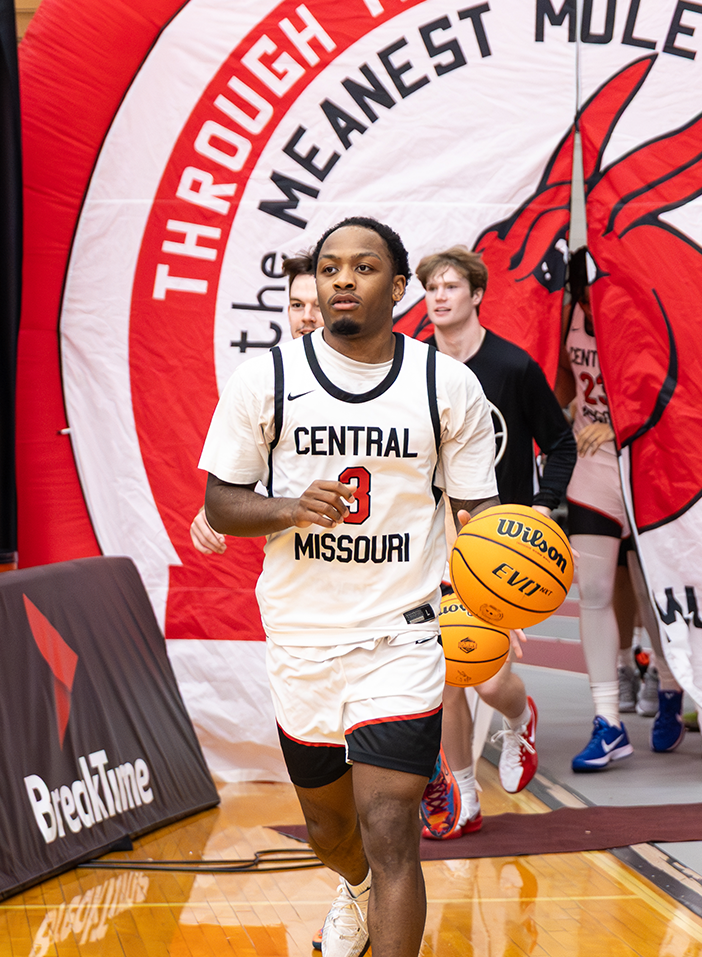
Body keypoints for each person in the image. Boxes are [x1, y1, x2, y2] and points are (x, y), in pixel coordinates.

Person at [200, 219, 500, 957]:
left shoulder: (446, 383)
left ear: (397, 289)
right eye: (330, 267)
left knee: (392, 823)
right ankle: (354, 888)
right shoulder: (266, 378)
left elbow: (479, 515)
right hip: (302, 635)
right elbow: (221, 504)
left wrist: (495, 599)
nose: (341, 280)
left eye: (362, 267)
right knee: (332, 832)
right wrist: (289, 506)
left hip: (402, 633)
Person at [415, 246, 576, 835]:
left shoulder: (511, 368)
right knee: (445, 673)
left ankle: (518, 715)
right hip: (432, 542)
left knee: (487, 677)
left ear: (477, 295)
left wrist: (539, 512)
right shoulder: (413, 370)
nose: (439, 296)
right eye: (431, 287)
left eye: (451, 286)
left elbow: (560, 444)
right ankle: (463, 793)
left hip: (497, 544)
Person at [558, 250, 687, 771]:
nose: (590, 305)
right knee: (592, 592)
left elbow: (673, 387)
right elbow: (563, 382)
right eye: (583, 296)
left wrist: (618, 425)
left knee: (648, 590)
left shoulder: (640, 315)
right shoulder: (567, 317)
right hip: (592, 469)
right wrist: (571, 412)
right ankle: (607, 719)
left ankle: (671, 684)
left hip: (643, 463)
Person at [190, 252, 323, 555]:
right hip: (297, 574)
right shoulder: (263, 381)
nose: (306, 317)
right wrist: (215, 512)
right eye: (297, 304)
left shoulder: (376, 374)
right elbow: (232, 491)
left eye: (317, 305)